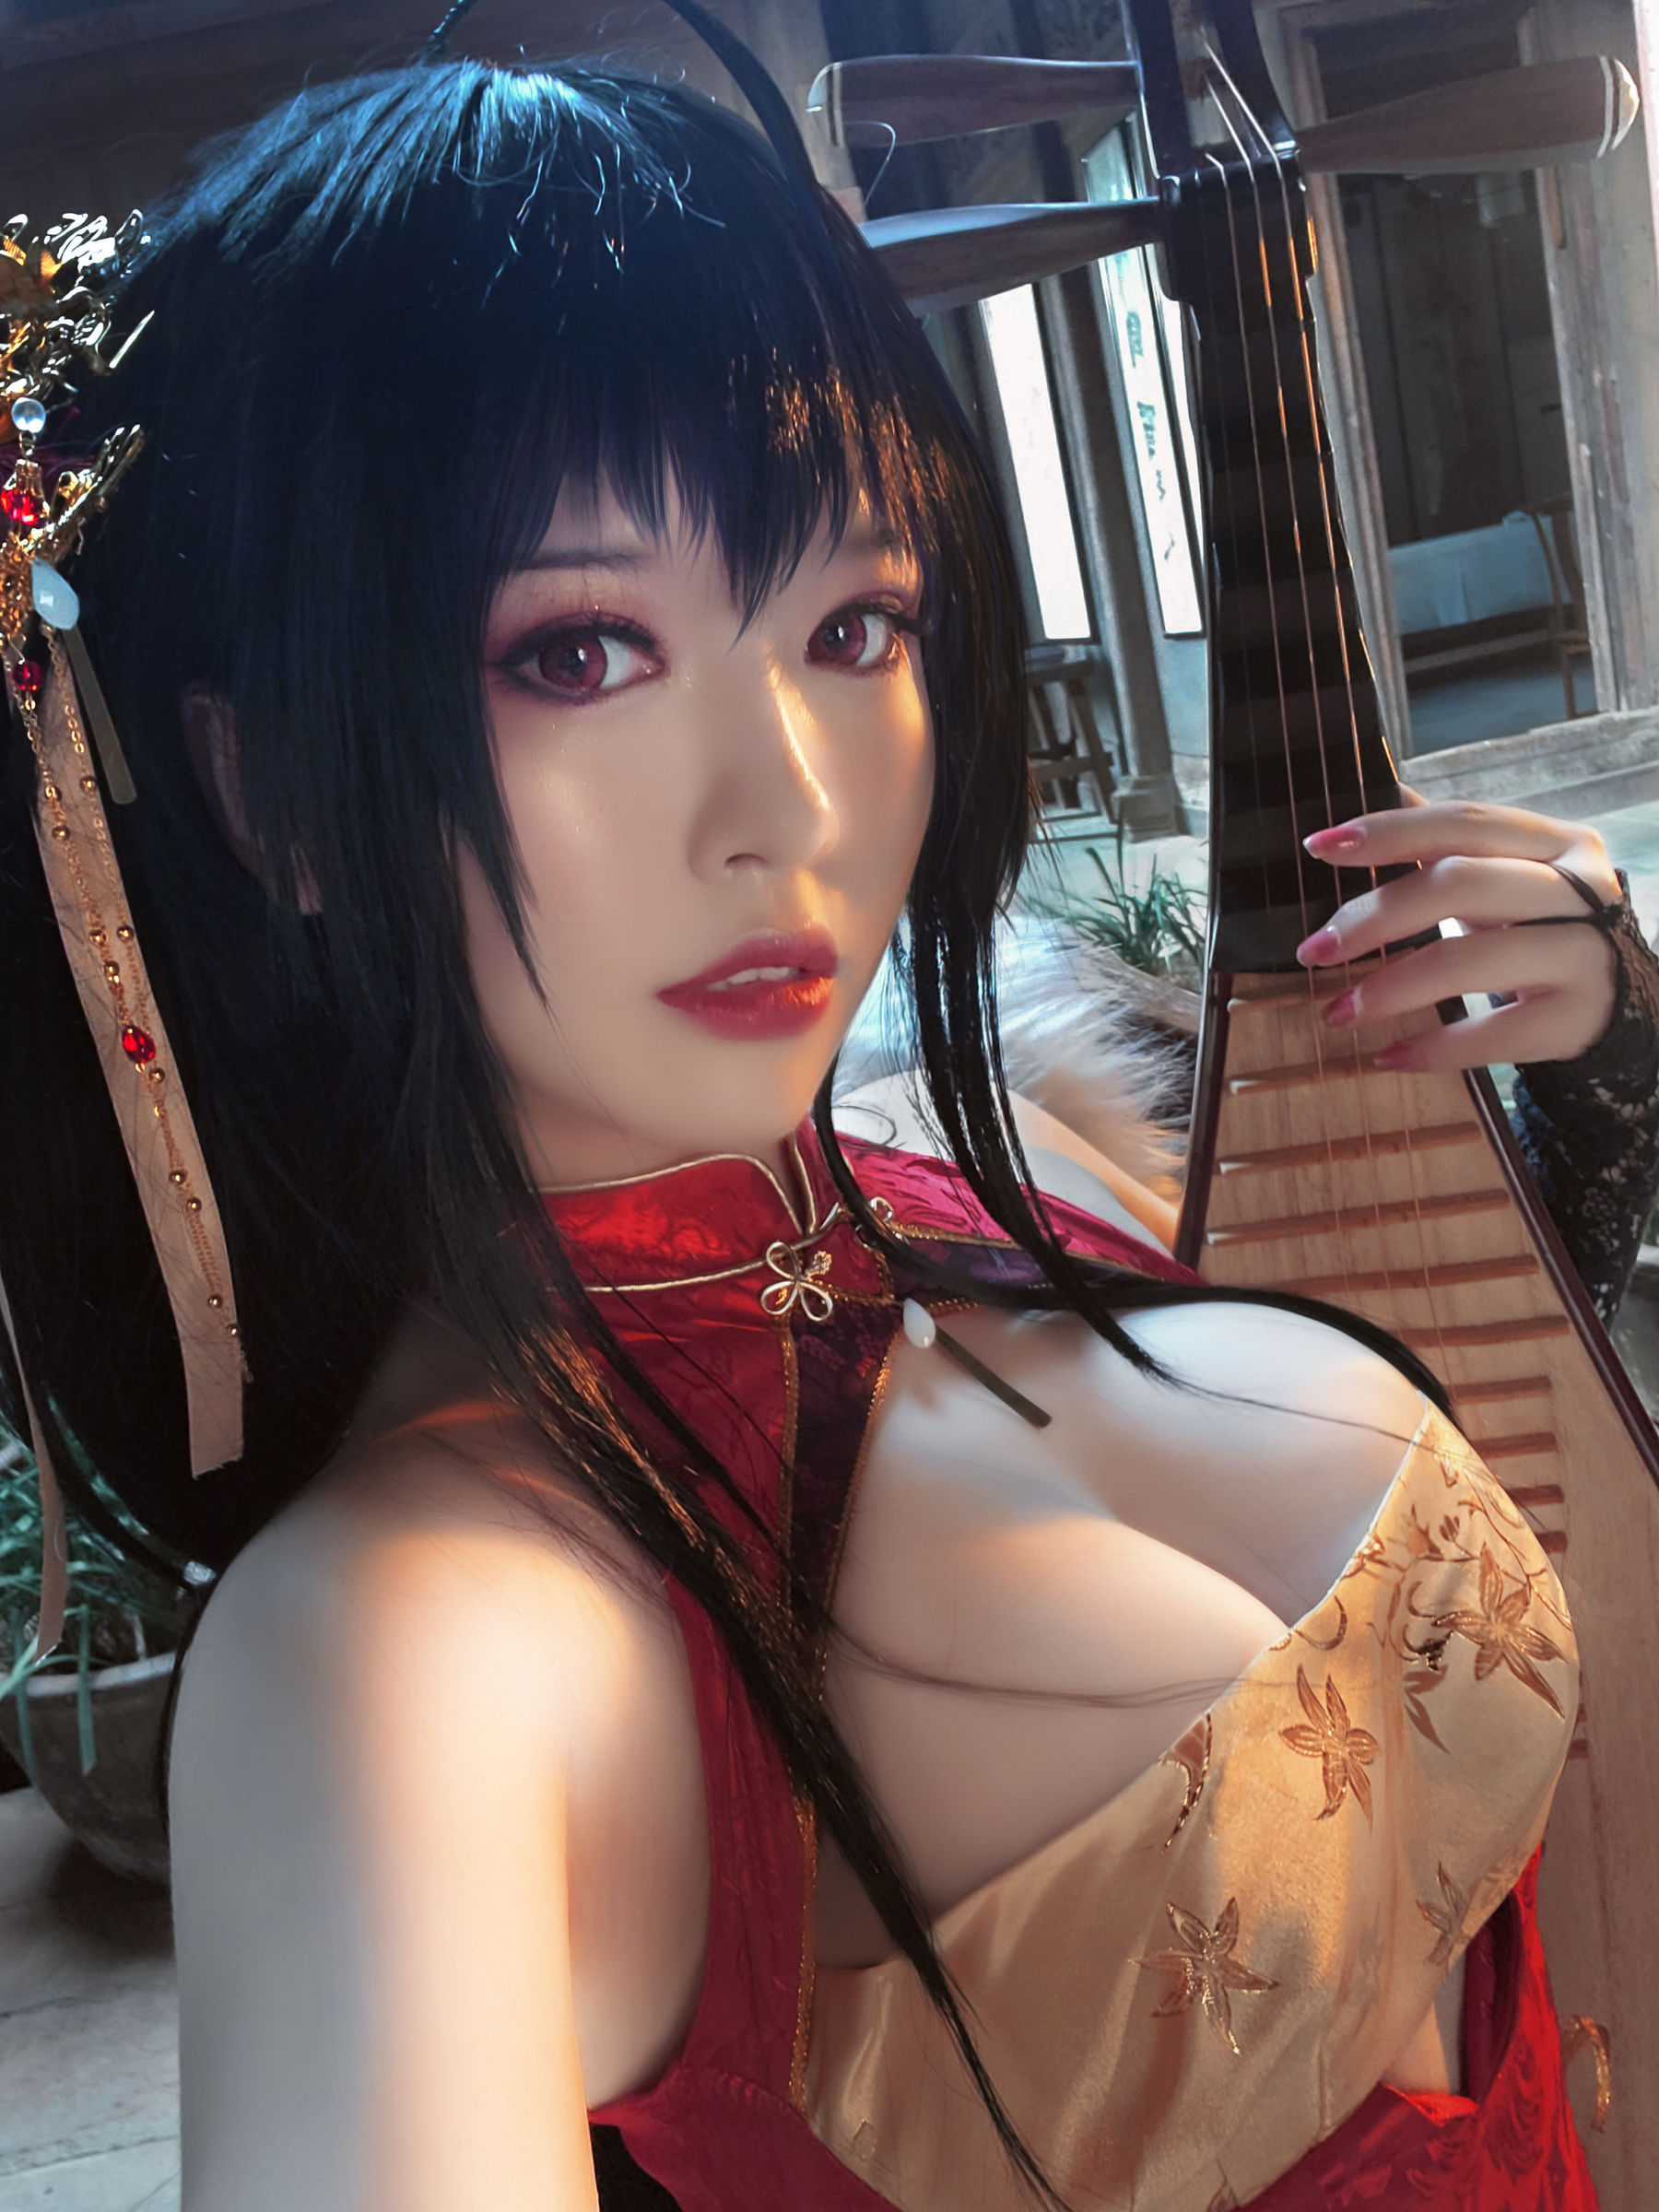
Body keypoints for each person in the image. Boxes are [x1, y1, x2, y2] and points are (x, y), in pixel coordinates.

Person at [3, 43, 1653, 2212]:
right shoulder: (408, 1656)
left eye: (853, 625)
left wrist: (1606, 1061)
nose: (788, 806)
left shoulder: (993, 1184)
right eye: (581, 653)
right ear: (270, 788)